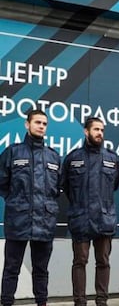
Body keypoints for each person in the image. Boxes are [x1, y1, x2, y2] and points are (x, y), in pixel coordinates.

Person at [0, 110, 61, 306]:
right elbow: (2, 182)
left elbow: (57, 189)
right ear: (27, 124)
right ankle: (6, 302)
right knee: (11, 268)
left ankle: (41, 303)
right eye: (37, 122)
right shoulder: (13, 152)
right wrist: (15, 201)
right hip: (18, 221)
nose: (41, 126)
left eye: (44, 123)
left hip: (45, 222)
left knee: (41, 269)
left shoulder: (53, 156)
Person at [61, 117, 119, 306]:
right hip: (81, 219)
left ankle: (101, 301)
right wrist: (80, 205)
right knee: (80, 262)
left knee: (103, 262)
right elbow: (67, 188)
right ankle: (80, 302)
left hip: (104, 219)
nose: (100, 133)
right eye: (96, 129)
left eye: (102, 130)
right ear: (86, 131)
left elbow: (115, 186)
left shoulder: (112, 158)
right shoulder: (73, 158)